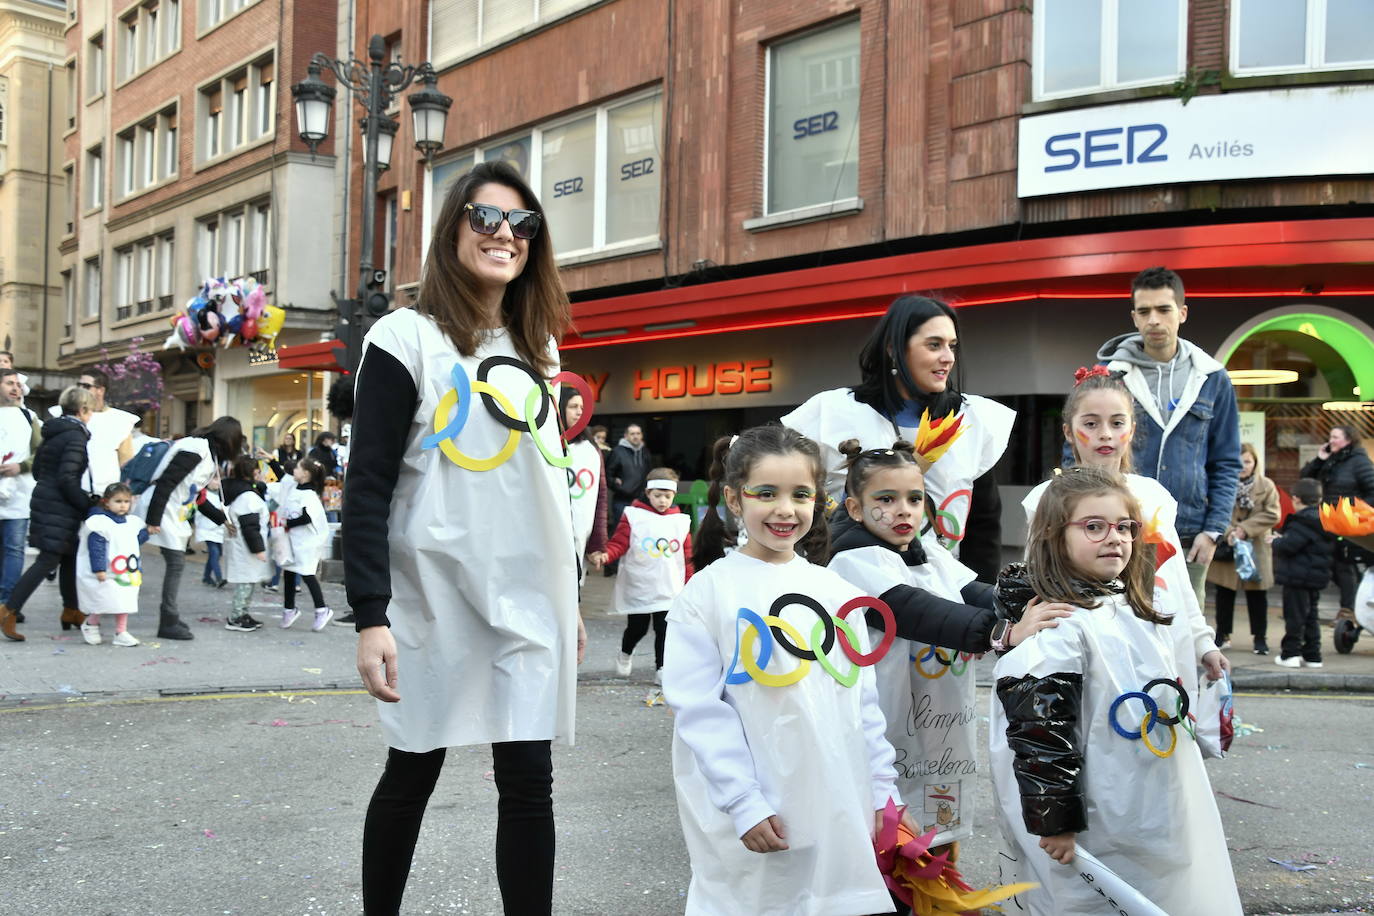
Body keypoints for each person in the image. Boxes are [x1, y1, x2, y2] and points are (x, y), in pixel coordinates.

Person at [343, 160, 586, 915]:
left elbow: (547, 486)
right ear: (452, 228)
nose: (505, 234)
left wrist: (565, 594)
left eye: (523, 224)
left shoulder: (536, 350)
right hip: (432, 594)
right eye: (486, 217)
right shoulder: (403, 336)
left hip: (523, 599)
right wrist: (371, 615)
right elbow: (369, 483)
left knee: (528, 783)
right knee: (413, 763)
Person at [662, 424, 915, 915]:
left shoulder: (837, 592)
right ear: (735, 500)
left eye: (800, 494)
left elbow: (863, 706)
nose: (785, 509)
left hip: (840, 801)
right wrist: (743, 802)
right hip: (759, 811)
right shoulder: (707, 594)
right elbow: (699, 712)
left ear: (819, 500)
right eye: (766, 493)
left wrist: (884, 797)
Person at [990, 467, 1242, 915]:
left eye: (1125, 527)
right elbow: (1041, 732)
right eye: (1094, 527)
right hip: (1093, 820)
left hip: (1147, 808)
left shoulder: (1132, 605)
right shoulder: (1058, 625)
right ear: (1052, 533)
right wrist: (1056, 821)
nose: (1115, 538)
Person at [826, 438, 1071, 870]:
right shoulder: (852, 562)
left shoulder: (928, 551)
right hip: (892, 724)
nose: (904, 510)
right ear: (855, 509)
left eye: (914, 498)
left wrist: (1039, 597)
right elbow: (912, 610)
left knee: (939, 833)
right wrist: (1002, 633)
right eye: (886, 499)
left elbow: (973, 593)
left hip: (941, 724)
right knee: (893, 840)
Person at [1027, 367, 1227, 708]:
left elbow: (1176, 580)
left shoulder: (1154, 497)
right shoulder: (1047, 498)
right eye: (1091, 424)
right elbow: (1037, 578)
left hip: (1161, 638)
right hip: (1091, 650)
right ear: (1069, 432)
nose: (1105, 434)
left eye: (1117, 423)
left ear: (1131, 429)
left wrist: (1202, 642)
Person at [782, 295, 1016, 583]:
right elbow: (789, 497)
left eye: (952, 346)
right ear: (894, 349)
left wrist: (981, 604)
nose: (948, 357)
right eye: (934, 345)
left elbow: (983, 525)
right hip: (843, 589)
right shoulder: (831, 412)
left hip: (944, 593)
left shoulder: (971, 419)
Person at [1094, 266, 1242, 607]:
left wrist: (1213, 530)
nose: (1154, 320)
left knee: (1184, 637)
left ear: (1182, 312)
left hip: (1189, 532)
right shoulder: (1111, 376)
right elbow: (1080, 452)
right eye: (1144, 311)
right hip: (1120, 529)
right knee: (1119, 633)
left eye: (1164, 309)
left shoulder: (1212, 378)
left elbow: (1225, 461)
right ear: (1134, 317)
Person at [0, 385, 97, 642]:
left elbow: (38, 468)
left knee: (68, 555)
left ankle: (71, 609)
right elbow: (68, 477)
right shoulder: (76, 436)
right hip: (61, 504)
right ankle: (8, 609)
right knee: (48, 559)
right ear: (83, 410)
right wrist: (85, 505)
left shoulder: (53, 431)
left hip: (45, 497)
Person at [137, 416, 243, 640]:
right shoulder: (196, 449)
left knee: (166, 561)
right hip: (161, 510)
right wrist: (153, 520)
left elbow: (196, 495)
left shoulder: (204, 451)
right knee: (174, 563)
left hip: (170, 511)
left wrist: (221, 519)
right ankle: (167, 620)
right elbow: (166, 482)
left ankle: (169, 617)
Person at [591, 468, 691, 683]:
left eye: (667, 496)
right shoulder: (634, 516)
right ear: (647, 492)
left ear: (674, 495)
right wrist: (606, 555)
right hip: (640, 585)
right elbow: (620, 542)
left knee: (664, 630)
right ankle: (626, 652)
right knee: (637, 628)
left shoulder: (681, 522)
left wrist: (691, 582)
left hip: (669, 587)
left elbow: (687, 555)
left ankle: (662, 668)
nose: (662, 501)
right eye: (657, 495)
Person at [1208, 442, 1280, 654]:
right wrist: (1230, 532)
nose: (1243, 466)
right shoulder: (1223, 483)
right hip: (1229, 546)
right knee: (1224, 593)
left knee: (1257, 596)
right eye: (1239, 462)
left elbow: (1273, 514)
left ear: (1255, 462)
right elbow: (1214, 508)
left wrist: (1245, 529)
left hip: (1255, 548)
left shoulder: (1266, 485)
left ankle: (1260, 638)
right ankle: (1222, 635)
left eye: (1247, 461)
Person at [1301, 424, 1374, 618]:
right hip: (1330, 522)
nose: (1331, 440)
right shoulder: (1332, 460)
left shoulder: (1359, 462)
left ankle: (1348, 609)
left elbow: (1372, 490)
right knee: (1332, 565)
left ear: (1349, 440)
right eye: (1330, 436)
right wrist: (1319, 459)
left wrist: (1357, 514)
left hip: (1349, 524)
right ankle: (1350, 608)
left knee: (1344, 566)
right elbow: (1305, 480)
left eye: (1336, 437)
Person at [1272, 478, 1335, 669]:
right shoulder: (1324, 520)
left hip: (1297, 577)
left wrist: (1275, 542)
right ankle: (1313, 655)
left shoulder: (1302, 521)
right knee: (1311, 616)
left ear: (1296, 499)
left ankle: (1290, 654)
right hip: (1316, 577)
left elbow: (1290, 546)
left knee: (1294, 616)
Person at [76, 483, 148, 647]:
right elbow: (97, 548)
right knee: (104, 599)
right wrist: (99, 569)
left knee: (124, 601)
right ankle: (91, 624)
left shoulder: (131, 522)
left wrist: (147, 533)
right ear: (106, 502)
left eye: (126, 501)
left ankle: (121, 631)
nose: (123, 505)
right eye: (118, 501)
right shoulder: (100, 523)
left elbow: (133, 541)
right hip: (108, 571)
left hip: (127, 570)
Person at [0, 368, 41, 619]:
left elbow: (40, 452)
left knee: (14, 549)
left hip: (19, 494)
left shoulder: (29, 416)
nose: (15, 388)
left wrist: (21, 466)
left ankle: (7, 604)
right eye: (8, 383)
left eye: (17, 384)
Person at [278, 456, 333, 631]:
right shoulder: (296, 488)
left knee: (307, 573)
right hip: (294, 541)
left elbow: (307, 517)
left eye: (298, 467)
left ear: (306, 474)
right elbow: (282, 476)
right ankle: (289, 609)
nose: (294, 469)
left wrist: (287, 524)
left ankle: (322, 609)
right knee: (288, 572)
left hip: (306, 543)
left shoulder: (309, 495)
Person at [560, 387, 608, 583]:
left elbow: (600, 497)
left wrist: (597, 544)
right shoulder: (542, 444)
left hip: (578, 538)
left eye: (582, 406)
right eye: (573, 406)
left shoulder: (590, 451)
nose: (580, 411)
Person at [220, 455, 267, 632]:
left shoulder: (239, 492)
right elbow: (250, 527)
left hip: (242, 546)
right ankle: (236, 616)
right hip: (246, 548)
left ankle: (242, 613)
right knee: (246, 583)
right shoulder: (248, 497)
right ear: (254, 471)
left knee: (248, 582)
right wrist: (259, 549)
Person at [79, 369, 138, 494]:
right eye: (78, 385)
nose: (80, 389)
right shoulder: (66, 415)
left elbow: (126, 460)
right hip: (73, 489)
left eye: (86, 386)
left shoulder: (120, 420)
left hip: (106, 493)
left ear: (100, 390)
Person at [606, 423, 649, 529]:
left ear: (641, 435)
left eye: (638, 433)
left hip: (641, 499)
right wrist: (617, 486)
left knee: (640, 530)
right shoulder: (617, 452)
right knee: (621, 531)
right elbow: (607, 474)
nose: (635, 436)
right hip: (622, 500)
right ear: (626, 436)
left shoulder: (645, 452)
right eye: (632, 434)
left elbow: (649, 473)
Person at [195, 476, 226, 587]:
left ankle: (206, 576)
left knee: (217, 553)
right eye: (215, 479)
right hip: (206, 528)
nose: (218, 482)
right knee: (214, 552)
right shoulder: (203, 494)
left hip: (218, 529)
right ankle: (219, 577)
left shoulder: (220, 495)